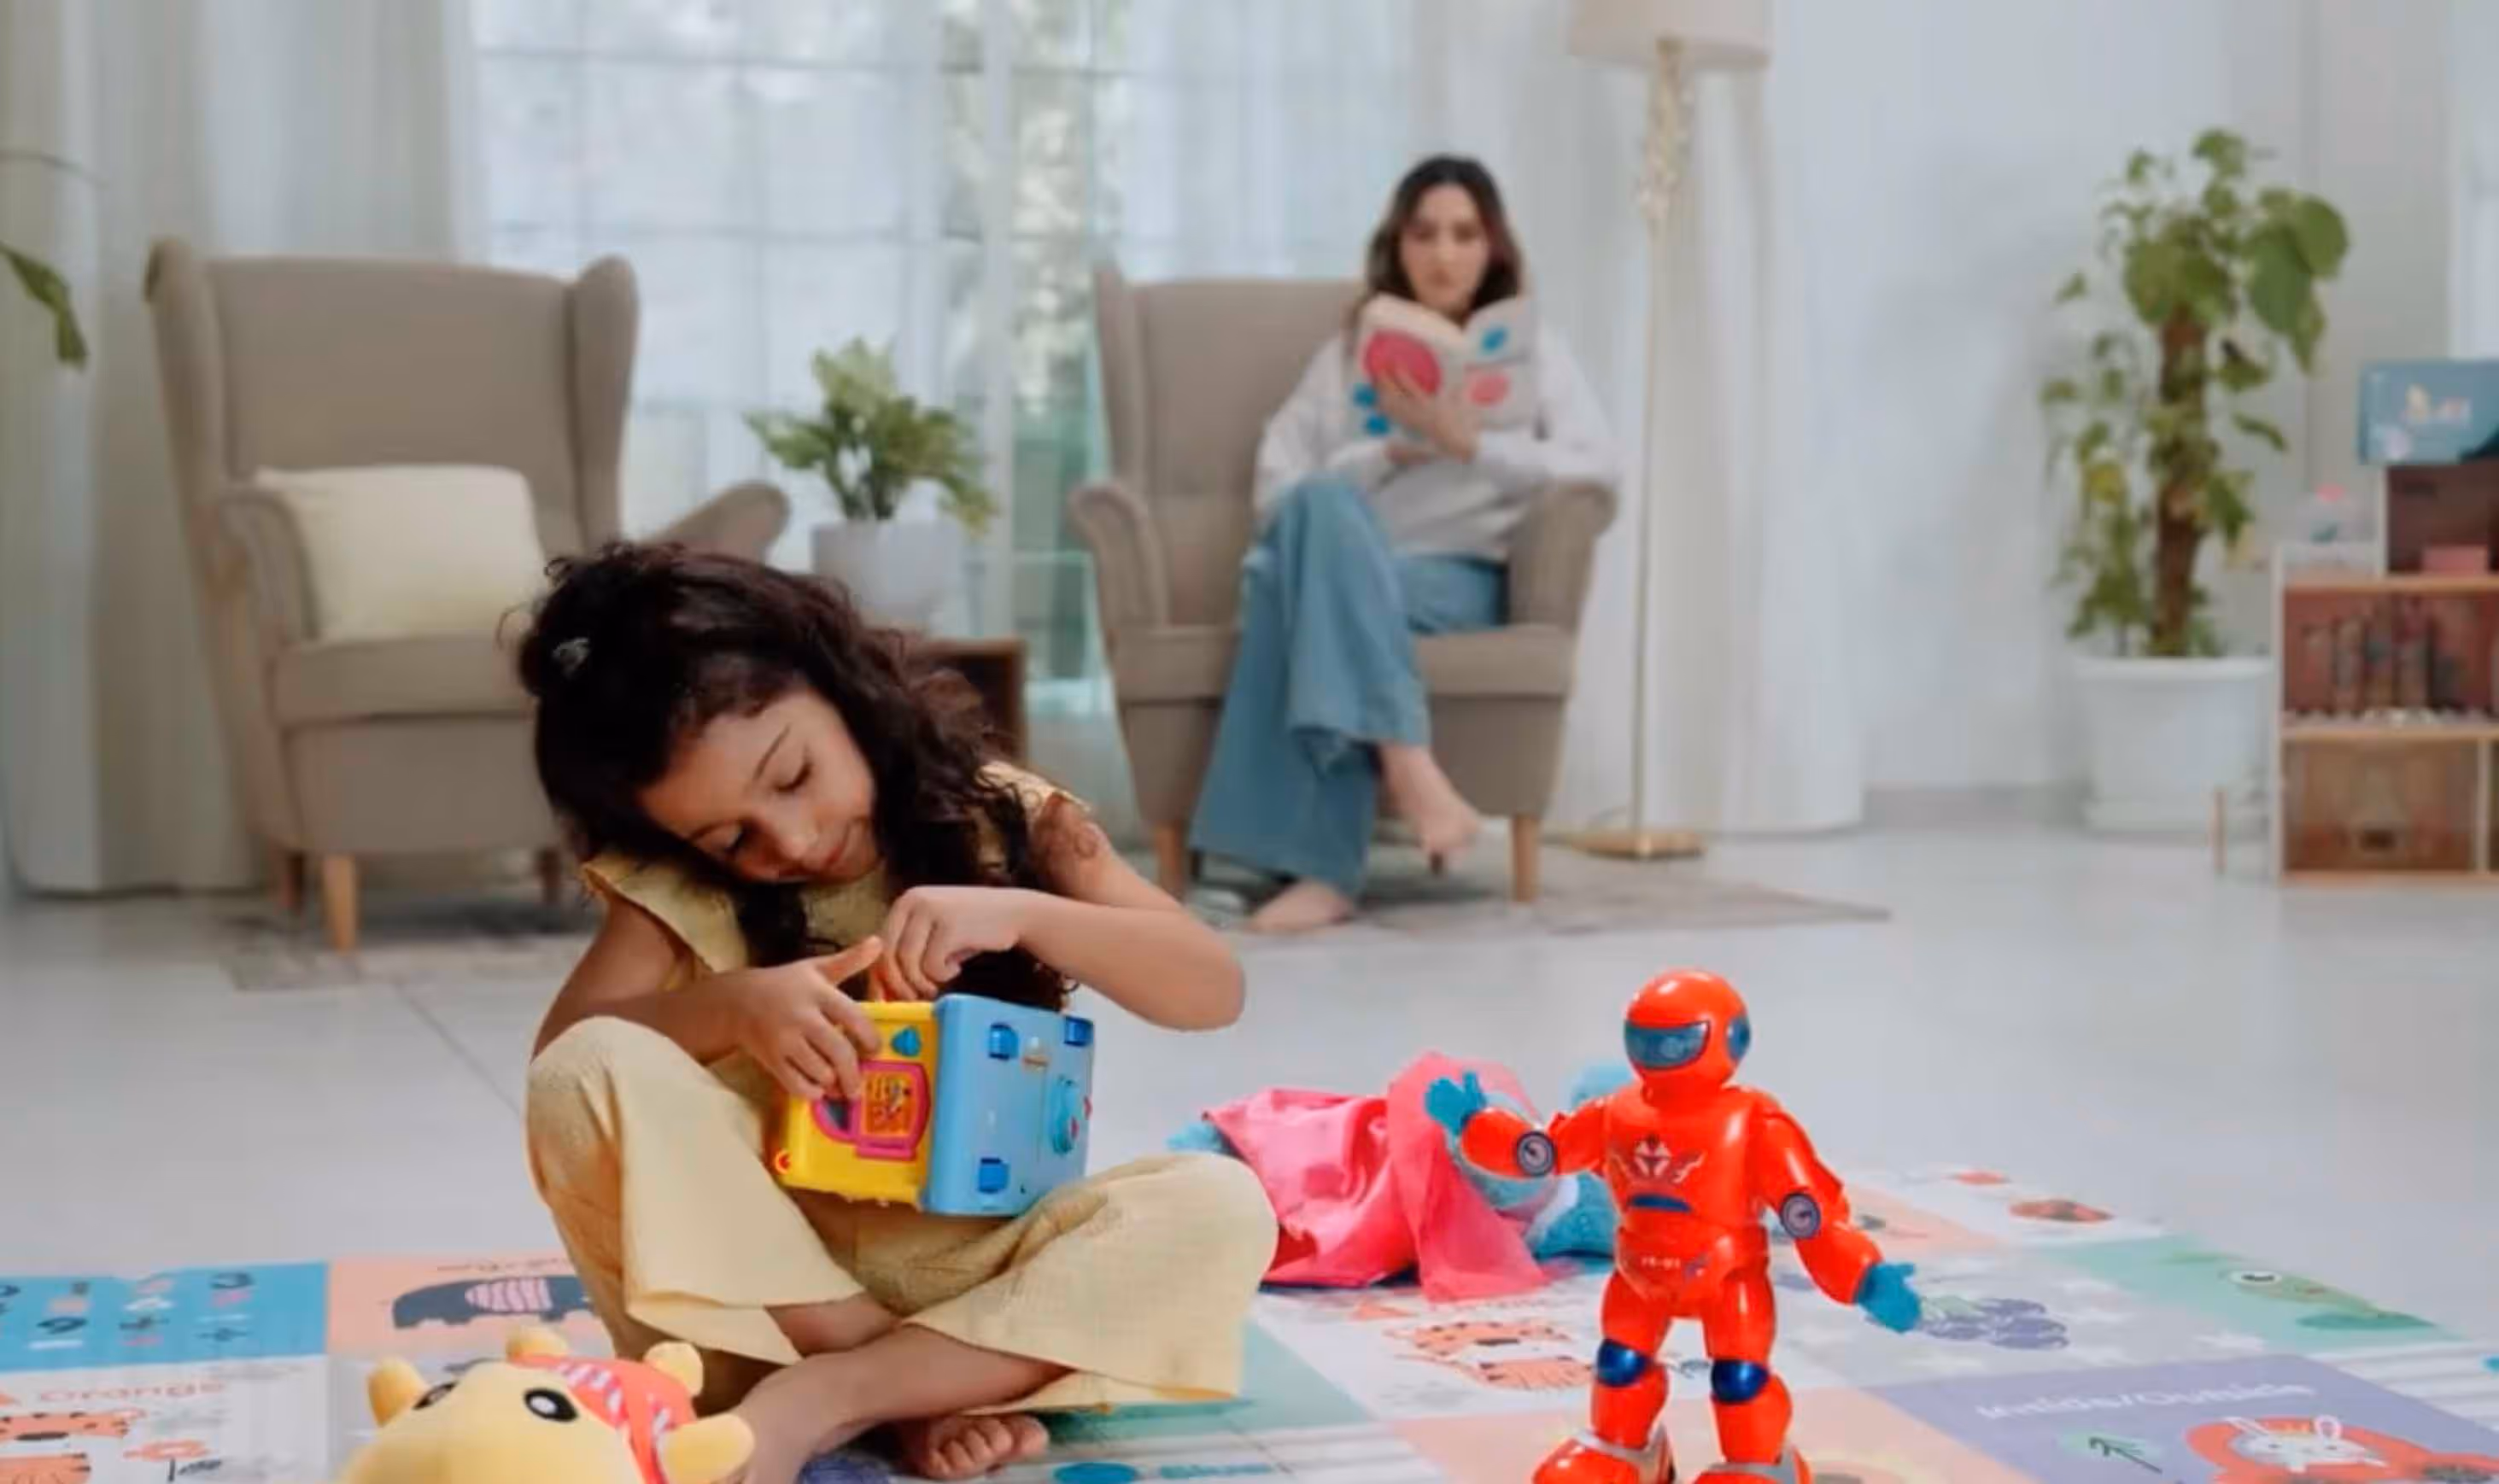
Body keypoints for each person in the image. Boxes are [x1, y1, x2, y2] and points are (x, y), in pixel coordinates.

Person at [514, 545, 1277, 1484]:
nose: (789, 841)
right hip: (765, 1305)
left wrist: (1027, 911)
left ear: (840, 685)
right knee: (589, 1070)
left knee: (1219, 1201)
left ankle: (846, 1395)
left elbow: (1211, 988)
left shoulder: (1004, 819)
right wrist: (733, 1008)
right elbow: (564, 1063)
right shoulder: (676, 892)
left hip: (984, 1287)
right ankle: (900, 1381)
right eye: (732, 837)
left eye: (792, 776)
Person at [1191, 154, 1618, 933]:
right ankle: (1408, 771)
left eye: (1464, 234)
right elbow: (1277, 491)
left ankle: (1268, 861)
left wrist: (1469, 444)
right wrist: (1392, 450)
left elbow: (1597, 470)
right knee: (1318, 511)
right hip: (1352, 564)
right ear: (1399, 244)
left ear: (1492, 247)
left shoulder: (1533, 352)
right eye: (1425, 234)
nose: (1445, 254)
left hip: (1455, 581)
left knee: (1279, 586)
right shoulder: (1348, 354)